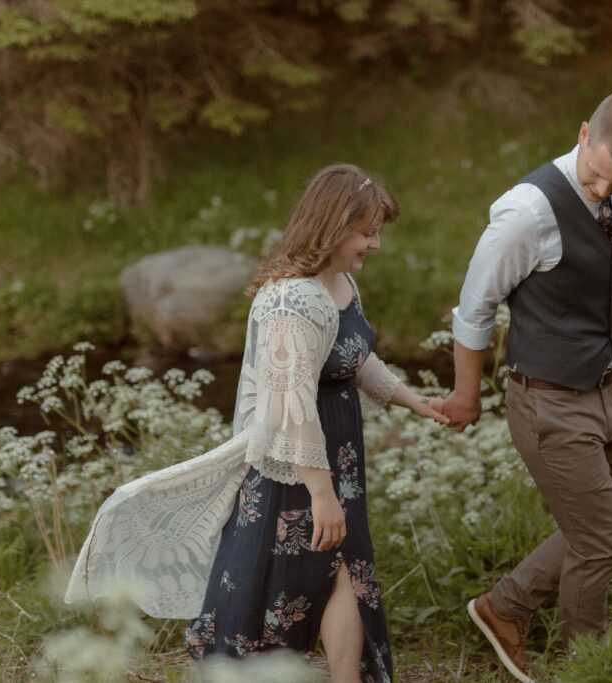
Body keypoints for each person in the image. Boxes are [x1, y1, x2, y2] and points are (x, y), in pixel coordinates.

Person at [65, 164, 448, 683]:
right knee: (265, 583)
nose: (375, 245)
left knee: (346, 572)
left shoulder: (341, 283)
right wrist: (320, 492)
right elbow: (292, 406)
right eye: (367, 232)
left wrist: (413, 400)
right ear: (334, 226)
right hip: (293, 464)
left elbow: (354, 357)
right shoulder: (291, 301)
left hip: (337, 454)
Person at [440, 89, 612, 682]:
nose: (602, 193)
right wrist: (467, 395)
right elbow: (474, 307)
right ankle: (588, 667)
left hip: (610, 390)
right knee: (595, 543)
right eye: (596, 177)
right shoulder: (528, 211)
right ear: (583, 131)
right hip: (547, 398)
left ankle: (504, 607)